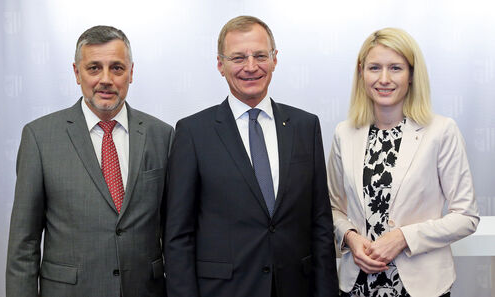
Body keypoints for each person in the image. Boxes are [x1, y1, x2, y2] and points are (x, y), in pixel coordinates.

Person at [164, 15, 338, 297]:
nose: (251, 67)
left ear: (275, 59)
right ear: (220, 64)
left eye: (260, 55)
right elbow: (178, 236)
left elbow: (320, 223)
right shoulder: (193, 132)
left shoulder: (306, 126)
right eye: (238, 58)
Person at [6, 25, 173, 297]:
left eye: (117, 68)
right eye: (94, 68)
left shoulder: (162, 135)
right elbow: (23, 246)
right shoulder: (39, 137)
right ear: (76, 73)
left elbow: (174, 233)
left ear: (131, 72)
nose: (105, 79)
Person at [327, 27, 479, 297]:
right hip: (356, 286)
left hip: (422, 287)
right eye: (374, 68)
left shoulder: (442, 131)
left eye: (395, 68)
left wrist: (403, 238)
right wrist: (350, 237)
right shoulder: (344, 133)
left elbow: (466, 217)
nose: (384, 79)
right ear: (361, 72)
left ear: (411, 75)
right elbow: (331, 208)